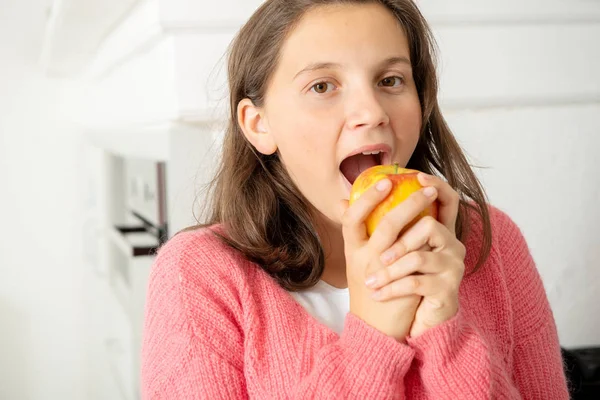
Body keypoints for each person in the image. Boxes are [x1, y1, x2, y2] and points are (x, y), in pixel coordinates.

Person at [140, 0, 570, 398]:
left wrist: (445, 335)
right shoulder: (197, 277)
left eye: (390, 80)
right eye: (323, 86)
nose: (372, 112)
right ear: (258, 124)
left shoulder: (489, 243)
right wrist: (374, 338)